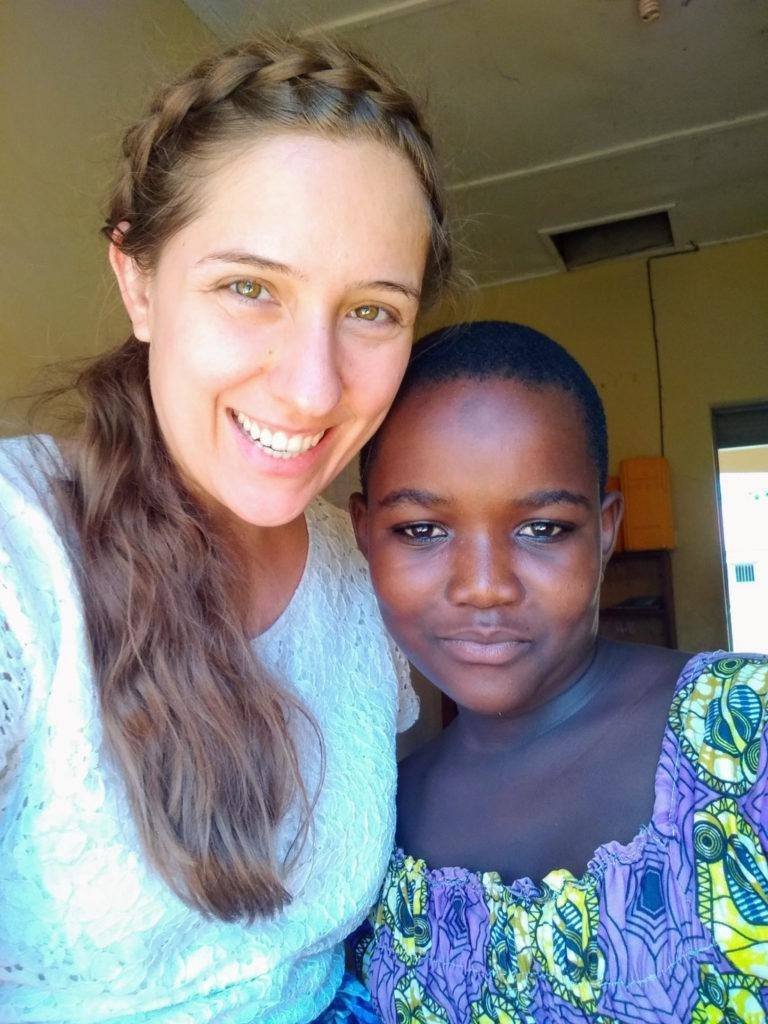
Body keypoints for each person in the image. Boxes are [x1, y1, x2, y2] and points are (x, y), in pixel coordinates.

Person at [0, 34, 453, 1024]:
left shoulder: (362, 566)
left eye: (373, 311)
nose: (311, 386)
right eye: (251, 288)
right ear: (139, 281)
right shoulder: (18, 556)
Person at [350, 320, 768, 1023]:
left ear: (605, 531)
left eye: (542, 528)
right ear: (365, 536)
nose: (484, 586)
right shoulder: (371, 826)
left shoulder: (743, 738)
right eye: (422, 529)